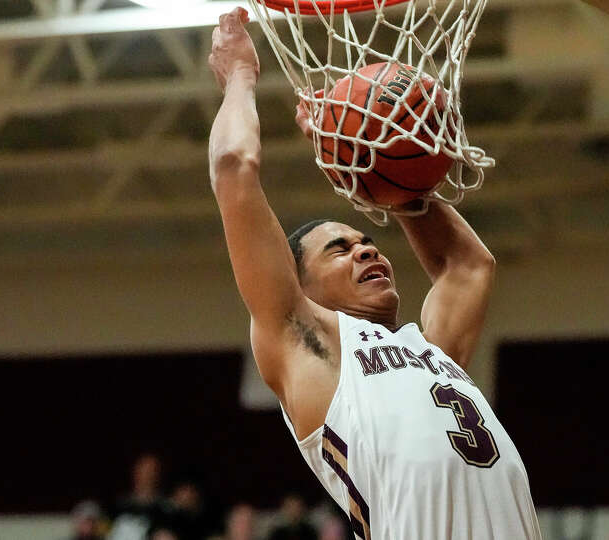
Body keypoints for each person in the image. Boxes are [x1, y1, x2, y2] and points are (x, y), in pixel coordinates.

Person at [207, 7, 540, 540]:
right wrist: (240, 77)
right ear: (302, 289)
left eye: (366, 241)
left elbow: (469, 265)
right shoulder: (307, 345)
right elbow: (233, 172)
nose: (366, 250)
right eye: (339, 249)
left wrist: (388, 185)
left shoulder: (432, 352)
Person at [107, 454, 176, 540]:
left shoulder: (167, 509)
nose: (147, 475)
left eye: (152, 470)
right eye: (144, 470)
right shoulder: (118, 505)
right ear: (135, 471)